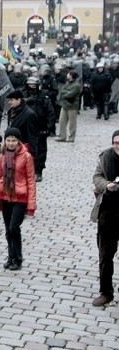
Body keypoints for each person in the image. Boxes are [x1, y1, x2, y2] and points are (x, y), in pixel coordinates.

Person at [0, 127, 37, 271]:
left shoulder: (26, 157)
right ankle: (11, 256)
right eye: (8, 140)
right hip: (5, 195)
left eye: (14, 140)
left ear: (18, 141)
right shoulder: (3, 156)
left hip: (20, 197)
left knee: (13, 228)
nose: (11, 143)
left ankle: (18, 257)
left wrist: (31, 203)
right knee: (7, 229)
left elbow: (31, 180)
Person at [91, 129, 119, 306]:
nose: (118, 146)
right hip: (108, 211)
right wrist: (106, 185)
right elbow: (97, 177)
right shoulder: (105, 157)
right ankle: (106, 292)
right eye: (116, 143)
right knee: (105, 253)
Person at [55, 70, 82, 143]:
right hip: (65, 105)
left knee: (72, 123)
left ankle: (71, 137)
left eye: (69, 74)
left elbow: (71, 95)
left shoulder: (76, 85)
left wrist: (66, 93)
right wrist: (66, 92)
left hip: (72, 106)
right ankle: (62, 136)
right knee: (62, 121)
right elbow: (62, 90)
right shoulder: (67, 83)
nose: (67, 75)